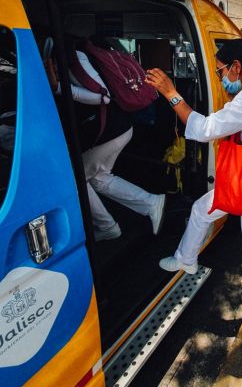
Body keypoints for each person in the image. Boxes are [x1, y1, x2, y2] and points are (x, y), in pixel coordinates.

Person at [146, 39, 242, 336]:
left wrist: (171, 94)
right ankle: (186, 258)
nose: (219, 78)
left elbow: (205, 129)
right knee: (202, 209)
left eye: (220, 72)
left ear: (236, 67)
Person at [44, 41, 166, 241]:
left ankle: (107, 226)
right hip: (118, 128)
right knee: (99, 178)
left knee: (73, 178)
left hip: (111, 130)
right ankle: (151, 203)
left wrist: (58, 88)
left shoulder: (72, 55)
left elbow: (103, 97)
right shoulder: (69, 54)